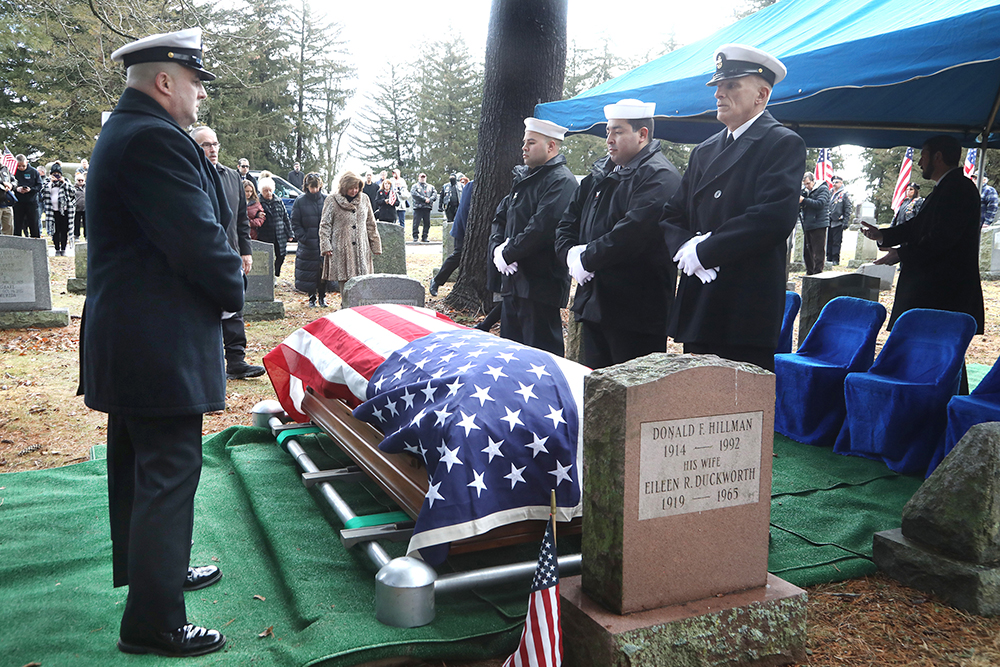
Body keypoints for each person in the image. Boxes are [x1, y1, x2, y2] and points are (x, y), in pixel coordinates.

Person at [81, 27, 239, 657]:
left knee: (142, 466)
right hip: (157, 340)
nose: (199, 96)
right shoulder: (153, 139)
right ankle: (153, 623)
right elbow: (196, 240)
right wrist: (233, 286)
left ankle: (159, 575)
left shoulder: (129, 130)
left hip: (137, 336)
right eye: (195, 83)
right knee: (169, 470)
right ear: (166, 81)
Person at [659, 44, 806, 372]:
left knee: (738, 415)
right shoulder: (704, 151)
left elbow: (773, 217)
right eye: (718, 86)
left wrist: (707, 251)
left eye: (731, 85)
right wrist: (687, 248)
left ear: (761, 94)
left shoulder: (781, 143)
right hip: (701, 299)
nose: (719, 94)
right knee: (694, 406)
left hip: (744, 309)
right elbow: (672, 214)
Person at [555, 99, 682, 369]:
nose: (609, 140)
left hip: (635, 313)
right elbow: (569, 218)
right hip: (595, 304)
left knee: (633, 403)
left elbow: (631, 234)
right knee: (596, 392)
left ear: (642, 135)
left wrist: (586, 259)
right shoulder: (603, 170)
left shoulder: (659, 176)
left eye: (618, 131)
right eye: (608, 132)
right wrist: (569, 255)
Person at [864, 135, 984, 391]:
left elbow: (941, 239)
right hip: (933, 290)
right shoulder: (946, 189)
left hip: (944, 293)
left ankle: (945, 410)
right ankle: (927, 405)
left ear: (938, 157)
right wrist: (883, 235)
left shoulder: (959, 189)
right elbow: (916, 227)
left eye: (924, 155)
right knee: (933, 358)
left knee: (944, 359)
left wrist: (899, 254)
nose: (919, 162)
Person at [490, 118, 578, 356]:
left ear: (551, 146)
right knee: (511, 358)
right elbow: (501, 217)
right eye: (524, 142)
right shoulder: (524, 179)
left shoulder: (561, 181)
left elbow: (542, 227)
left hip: (541, 285)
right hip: (514, 282)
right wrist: (497, 249)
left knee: (540, 360)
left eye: (531, 142)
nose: (524, 148)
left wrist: (508, 253)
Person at [192, 125, 265, 381]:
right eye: (205, 145)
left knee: (234, 310)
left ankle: (236, 361)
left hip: (231, 254)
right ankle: (205, 366)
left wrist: (246, 252)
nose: (212, 149)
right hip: (202, 257)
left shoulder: (233, 177)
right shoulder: (189, 176)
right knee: (204, 313)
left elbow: (241, 220)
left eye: (215, 144)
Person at [319, 171, 382, 289]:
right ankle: (346, 304)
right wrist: (326, 245)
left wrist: (375, 245)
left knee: (363, 279)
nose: (354, 191)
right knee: (345, 280)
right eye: (351, 188)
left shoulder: (365, 199)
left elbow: (370, 223)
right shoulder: (332, 200)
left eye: (356, 188)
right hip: (341, 247)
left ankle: (361, 306)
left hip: (361, 246)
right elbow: (325, 224)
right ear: (344, 187)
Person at [429, 179, 473, 296]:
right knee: (458, 255)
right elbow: (465, 209)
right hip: (463, 227)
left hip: (471, 228)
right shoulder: (471, 186)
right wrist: (468, 233)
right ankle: (437, 281)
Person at [291, 172, 329, 306]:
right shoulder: (300, 201)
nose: (314, 190)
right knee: (310, 272)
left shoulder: (326, 199)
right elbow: (295, 222)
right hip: (308, 244)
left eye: (316, 187)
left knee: (323, 272)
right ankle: (312, 297)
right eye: (312, 187)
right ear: (306, 186)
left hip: (324, 243)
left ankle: (322, 297)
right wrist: (304, 238)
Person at [257, 175, 292, 276]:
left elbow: (285, 217)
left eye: (270, 190)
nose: (268, 193)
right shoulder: (258, 202)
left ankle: (275, 274)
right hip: (265, 234)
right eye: (265, 191)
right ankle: (267, 276)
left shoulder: (278, 200)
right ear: (261, 191)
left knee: (281, 255)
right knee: (266, 257)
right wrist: (257, 215)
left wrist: (290, 233)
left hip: (280, 233)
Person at [42, 163, 76, 255]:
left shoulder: (66, 181)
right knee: (55, 231)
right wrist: (50, 183)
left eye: (58, 174)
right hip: (52, 211)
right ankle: (57, 248)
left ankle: (64, 249)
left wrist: (64, 183)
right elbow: (43, 193)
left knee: (64, 231)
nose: (56, 175)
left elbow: (73, 192)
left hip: (64, 211)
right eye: (54, 174)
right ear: (51, 174)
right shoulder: (47, 182)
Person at [799, 171, 829, 275]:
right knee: (807, 251)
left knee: (818, 250)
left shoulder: (823, 189)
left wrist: (804, 200)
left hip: (819, 223)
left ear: (813, 181)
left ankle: (817, 272)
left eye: (808, 184)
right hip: (808, 223)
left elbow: (820, 203)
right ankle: (809, 271)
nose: (807, 186)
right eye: (805, 184)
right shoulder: (805, 192)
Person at [12, 154, 41, 237]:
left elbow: (39, 186)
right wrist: (17, 189)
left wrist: (30, 189)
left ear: (27, 163)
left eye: (23, 166)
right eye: (19, 166)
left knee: (34, 224)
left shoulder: (34, 172)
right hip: (18, 202)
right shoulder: (13, 171)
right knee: (17, 225)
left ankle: (36, 243)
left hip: (31, 201)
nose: (21, 168)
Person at [826, 174, 851, 264]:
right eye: (833, 182)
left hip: (838, 221)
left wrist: (845, 222)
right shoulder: (829, 192)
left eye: (836, 182)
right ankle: (828, 258)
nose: (834, 184)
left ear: (841, 183)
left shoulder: (844, 194)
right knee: (828, 240)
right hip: (828, 221)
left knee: (836, 241)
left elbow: (847, 208)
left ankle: (835, 259)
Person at [410, 172, 436, 242]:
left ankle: (425, 236)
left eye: (424, 177)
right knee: (416, 223)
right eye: (421, 177)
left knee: (427, 223)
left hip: (427, 207)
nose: (422, 179)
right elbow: (414, 194)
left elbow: (434, 195)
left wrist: (429, 199)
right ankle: (415, 236)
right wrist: (424, 199)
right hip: (418, 207)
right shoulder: (415, 186)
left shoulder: (431, 187)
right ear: (419, 178)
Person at [1, 164, 17, 235]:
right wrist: (2, 183)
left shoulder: (5, 169)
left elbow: (14, 181)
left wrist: (11, 185)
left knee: (8, 228)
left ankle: (6, 245)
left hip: (7, 203)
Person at [73, 171, 87, 240]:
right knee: (76, 223)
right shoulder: (73, 188)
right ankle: (76, 235)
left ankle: (86, 236)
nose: (81, 181)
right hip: (77, 208)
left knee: (86, 223)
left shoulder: (87, 187)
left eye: (82, 180)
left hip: (85, 208)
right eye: (79, 180)